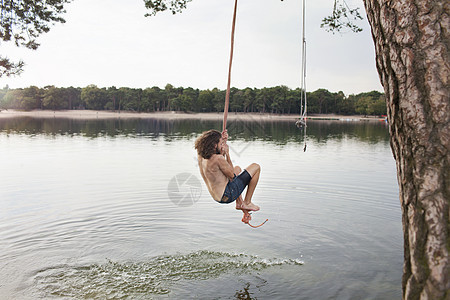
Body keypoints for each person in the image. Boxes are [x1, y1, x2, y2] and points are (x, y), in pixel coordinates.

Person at [194, 129, 260, 223]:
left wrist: (223, 141)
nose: (222, 145)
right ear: (214, 145)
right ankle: (247, 202)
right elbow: (232, 176)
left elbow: (222, 169)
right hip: (228, 195)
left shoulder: (200, 155)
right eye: (221, 143)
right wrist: (227, 154)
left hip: (217, 196)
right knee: (256, 167)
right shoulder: (218, 159)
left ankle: (239, 203)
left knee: (238, 168)